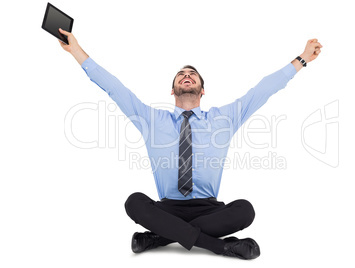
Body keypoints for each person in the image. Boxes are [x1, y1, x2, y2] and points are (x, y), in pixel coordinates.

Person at [58, 27, 322, 260]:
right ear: (172, 90)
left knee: (245, 210)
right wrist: (77, 51)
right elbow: (115, 88)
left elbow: (263, 89)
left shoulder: (223, 119)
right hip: (167, 207)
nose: (187, 75)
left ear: (202, 90)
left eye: (192, 74)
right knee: (134, 202)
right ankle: (221, 248)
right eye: (181, 74)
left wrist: (301, 59)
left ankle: (161, 238)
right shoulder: (151, 119)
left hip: (209, 208)